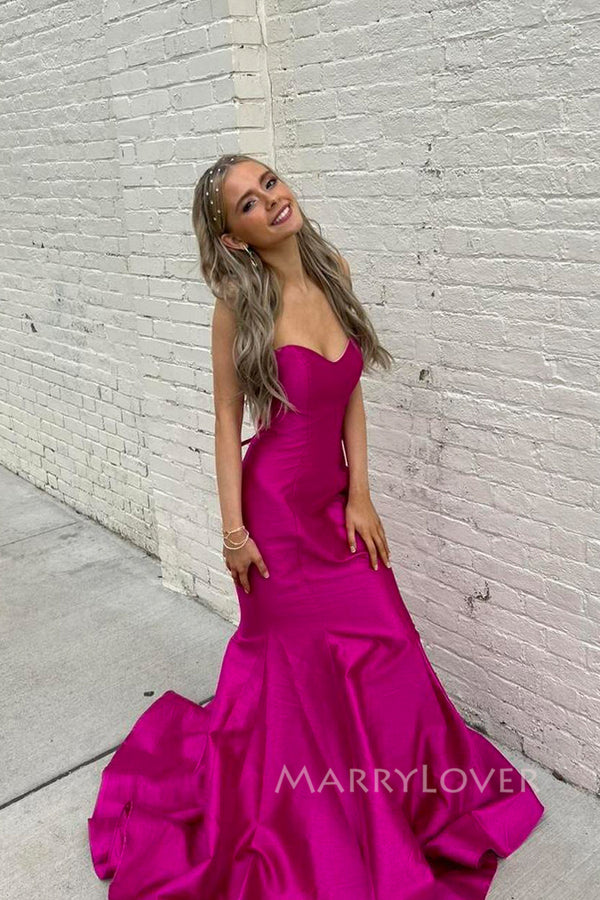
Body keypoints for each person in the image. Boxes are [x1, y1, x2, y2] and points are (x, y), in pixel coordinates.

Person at [87, 154, 545, 899]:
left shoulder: (333, 271)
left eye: (269, 183)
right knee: (296, 677)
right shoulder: (239, 308)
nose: (270, 200)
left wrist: (361, 493)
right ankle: (313, 830)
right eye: (247, 203)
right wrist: (233, 533)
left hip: (334, 506)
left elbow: (349, 391)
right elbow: (227, 422)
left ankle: (396, 806)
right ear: (233, 238)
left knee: (388, 643)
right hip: (273, 521)